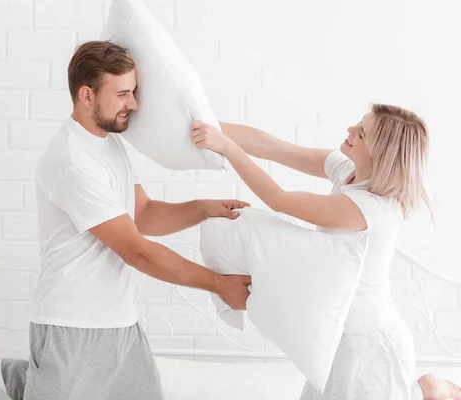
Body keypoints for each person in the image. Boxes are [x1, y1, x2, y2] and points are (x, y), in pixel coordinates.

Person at [24, 40, 251, 400]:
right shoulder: (72, 161)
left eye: (134, 91)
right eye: (123, 93)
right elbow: (137, 251)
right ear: (87, 96)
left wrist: (202, 207)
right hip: (71, 326)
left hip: (121, 324)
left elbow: (142, 214)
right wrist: (218, 284)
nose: (133, 103)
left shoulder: (109, 144)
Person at [190, 104, 461, 400]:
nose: (350, 131)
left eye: (362, 133)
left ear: (379, 153)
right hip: (338, 333)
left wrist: (226, 147)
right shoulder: (348, 173)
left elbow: (278, 199)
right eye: (359, 124)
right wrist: (206, 125)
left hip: (367, 338)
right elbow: (273, 147)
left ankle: (431, 389)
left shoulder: (371, 207)